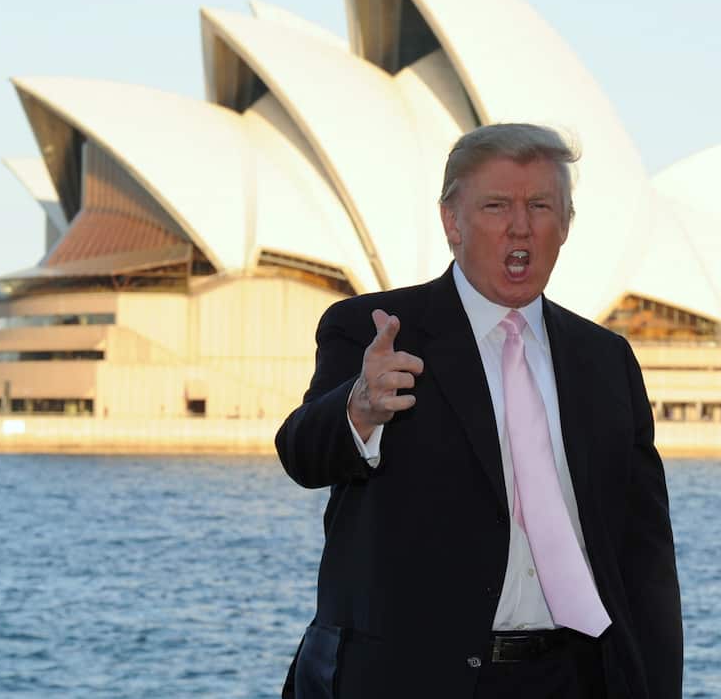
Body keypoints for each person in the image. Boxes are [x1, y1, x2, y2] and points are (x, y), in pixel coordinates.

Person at [275, 123, 682, 698]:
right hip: (410, 680)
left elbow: (646, 561)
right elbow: (301, 454)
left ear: (565, 224)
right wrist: (358, 408)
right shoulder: (375, 331)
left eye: (540, 205)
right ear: (452, 222)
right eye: (496, 206)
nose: (521, 226)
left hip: (575, 677)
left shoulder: (607, 360)